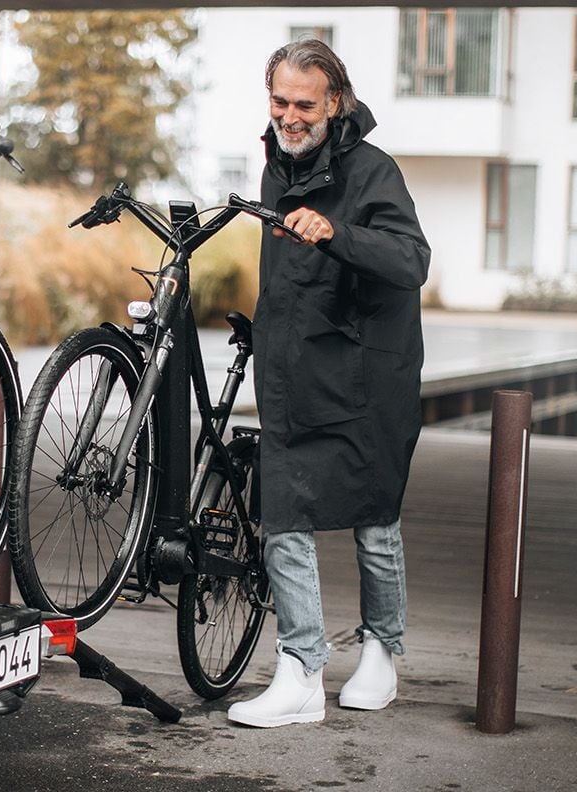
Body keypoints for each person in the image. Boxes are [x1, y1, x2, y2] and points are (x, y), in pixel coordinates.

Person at [227, 39, 429, 728]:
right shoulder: (274, 171)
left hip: (369, 374)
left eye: (303, 104)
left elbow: (410, 260)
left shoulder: (374, 172)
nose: (289, 115)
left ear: (334, 101)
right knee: (282, 512)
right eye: (279, 101)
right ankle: (301, 671)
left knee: (373, 518)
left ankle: (383, 650)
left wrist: (336, 231)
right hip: (296, 368)